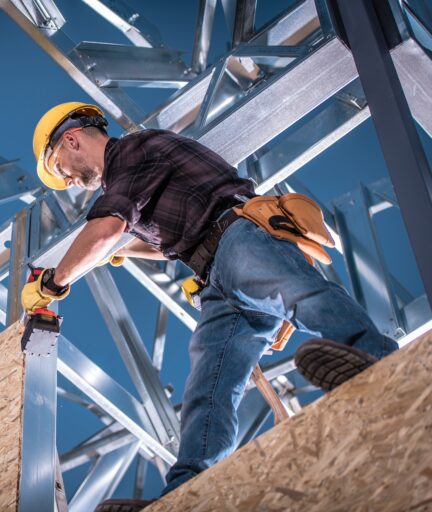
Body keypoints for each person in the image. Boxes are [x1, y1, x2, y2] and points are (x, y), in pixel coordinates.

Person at [20, 102, 400, 511]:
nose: (72, 182)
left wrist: (53, 282)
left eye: (62, 170)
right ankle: (189, 491)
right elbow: (171, 236)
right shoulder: (139, 166)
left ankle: (374, 356)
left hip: (237, 238)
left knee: (297, 292)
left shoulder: (130, 154)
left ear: (72, 139)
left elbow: (105, 228)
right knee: (209, 386)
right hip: (217, 271)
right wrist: (126, 251)